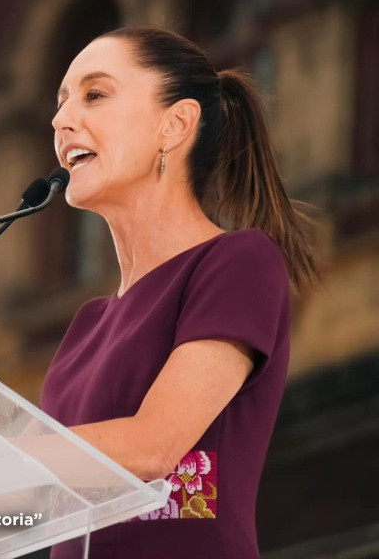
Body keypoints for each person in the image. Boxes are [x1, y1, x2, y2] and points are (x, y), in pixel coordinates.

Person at [38, 27, 320, 559]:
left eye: (94, 94)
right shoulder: (85, 326)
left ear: (176, 123)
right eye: (61, 101)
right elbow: (48, 500)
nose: (61, 119)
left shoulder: (237, 262)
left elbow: (155, 448)